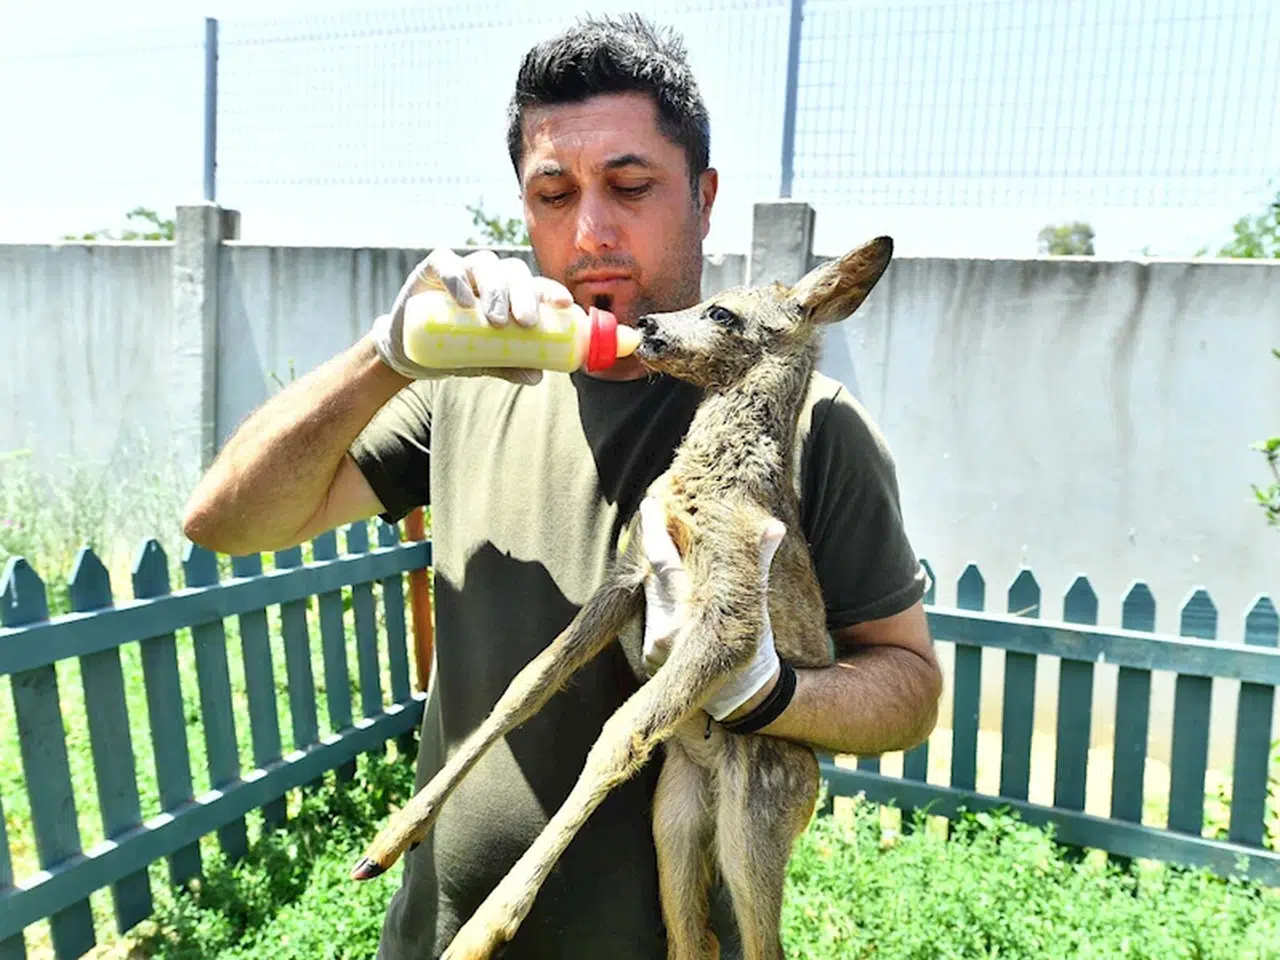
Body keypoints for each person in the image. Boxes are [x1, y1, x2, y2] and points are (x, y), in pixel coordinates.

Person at [181, 13, 941, 959]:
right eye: (552, 194)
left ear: (703, 198)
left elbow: (908, 689)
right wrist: (383, 356)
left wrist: (762, 692)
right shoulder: (465, 391)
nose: (590, 234)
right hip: (440, 936)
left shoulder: (815, 428)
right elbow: (225, 522)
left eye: (630, 187)